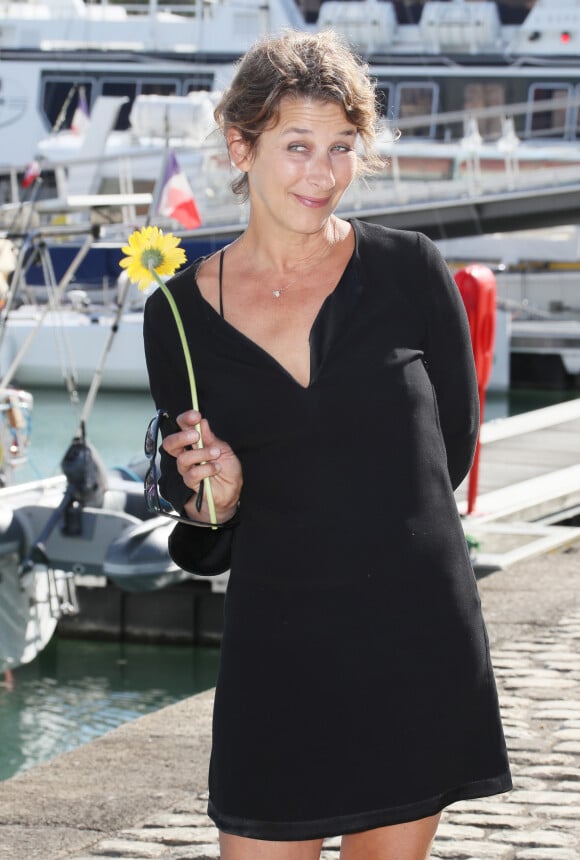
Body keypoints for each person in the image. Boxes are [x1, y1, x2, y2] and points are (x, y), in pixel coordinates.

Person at [143, 29, 512, 860]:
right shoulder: (174, 315)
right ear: (242, 146)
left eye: (342, 147)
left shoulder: (412, 271)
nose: (323, 172)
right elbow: (199, 514)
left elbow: (445, 457)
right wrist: (221, 498)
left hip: (416, 638)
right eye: (298, 146)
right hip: (280, 646)